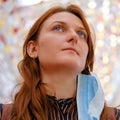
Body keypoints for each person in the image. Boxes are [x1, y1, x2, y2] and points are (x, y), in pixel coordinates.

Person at [0, 3, 120, 120]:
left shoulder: (114, 117)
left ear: (87, 55)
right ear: (33, 48)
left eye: (81, 33)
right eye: (58, 28)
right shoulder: (4, 115)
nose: (74, 36)